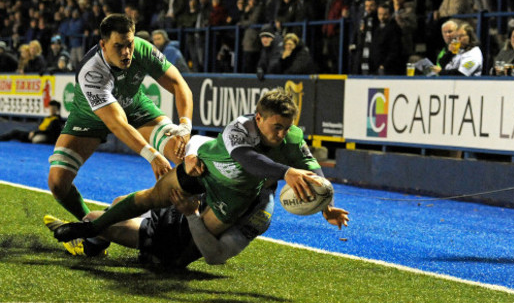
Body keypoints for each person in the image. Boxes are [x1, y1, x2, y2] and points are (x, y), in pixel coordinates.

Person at [52, 88, 349, 245]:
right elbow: (247, 159)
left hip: (229, 196)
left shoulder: (292, 139)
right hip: (203, 171)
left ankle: (104, 237)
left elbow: (314, 172)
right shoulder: (239, 128)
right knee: (149, 198)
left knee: (180, 249)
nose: (282, 133)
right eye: (277, 127)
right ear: (259, 118)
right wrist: (286, 172)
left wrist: (326, 203)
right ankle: (90, 228)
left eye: (287, 127)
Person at [47, 13, 193, 236]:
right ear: (103, 45)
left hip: (134, 105)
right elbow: (117, 124)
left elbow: (178, 83)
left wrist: (185, 125)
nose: (126, 52)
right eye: (119, 46)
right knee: (57, 183)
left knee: (182, 153)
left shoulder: (142, 49)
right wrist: (152, 155)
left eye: (129, 44)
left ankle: (200, 221)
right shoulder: (92, 72)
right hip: (90, 117)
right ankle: (92, 227)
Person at [45, 188, 275, 266]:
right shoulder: (237, 167)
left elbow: (215, 257)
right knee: (119, 202)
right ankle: (93, 242)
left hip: (172, 240)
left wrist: (192, 216)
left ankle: (86, 244)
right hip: (174, 215)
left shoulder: (260, 212)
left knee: (94, 217)